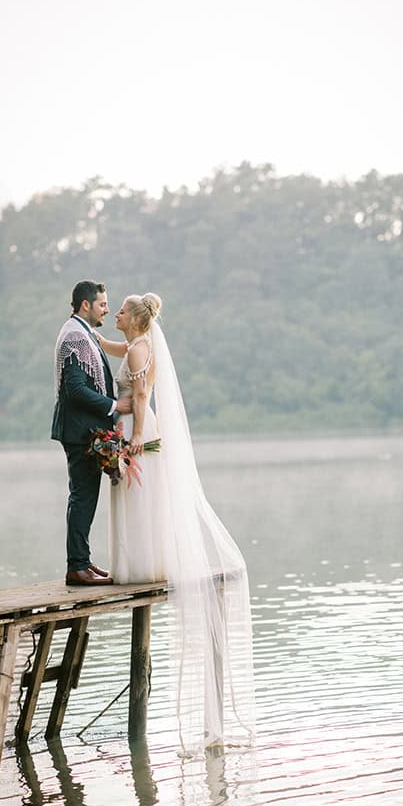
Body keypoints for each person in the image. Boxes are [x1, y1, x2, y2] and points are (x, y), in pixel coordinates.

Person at [97, 293, 256, 755]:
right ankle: (140, 561)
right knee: (136, 499)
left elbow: (140, 395)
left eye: (120, 311)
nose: (117, 316)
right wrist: (87, 334)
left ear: (136, 318)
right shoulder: (134, 345)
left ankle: (145, 563)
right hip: (135, 428)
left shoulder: (143, 348)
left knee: (141, 495)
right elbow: (111, 347)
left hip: (143, 432)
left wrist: (133, 439)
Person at [51, 280, 132, 586]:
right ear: (86, 305)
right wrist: (114, 405)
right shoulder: (74, 335)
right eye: (102, 304)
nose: (106, 309)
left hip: (83, 429)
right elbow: (74, 389)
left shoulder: (82, 332)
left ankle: (82, 561)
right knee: (82, 497)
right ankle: (77, 567)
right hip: (79, 431)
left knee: (84, 496)